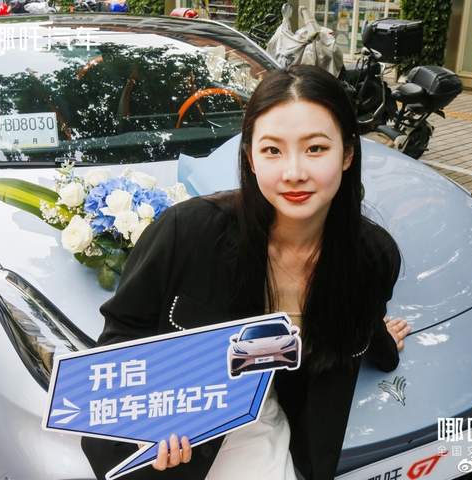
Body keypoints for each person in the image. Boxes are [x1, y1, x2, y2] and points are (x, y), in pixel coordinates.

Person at [81, 64, 411, 480]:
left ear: (347, 154)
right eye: (272, 150)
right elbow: (122, 337)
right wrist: (143, 430)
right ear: (250, 158)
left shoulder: (371, 256)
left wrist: (380, 342)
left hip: (268, 440)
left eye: (315, 149)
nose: (294, 172)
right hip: (182, 449)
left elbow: (356, 320)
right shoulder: (187, 231)